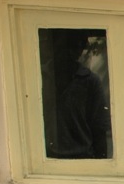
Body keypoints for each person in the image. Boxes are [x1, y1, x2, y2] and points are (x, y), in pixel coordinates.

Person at [41, 29, 111, 159]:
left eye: (79, 45)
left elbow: (99, 129)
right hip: (46, 160)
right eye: (69, 44)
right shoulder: (40, 77)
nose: (73, 50)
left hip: (82, 158)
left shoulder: (90, 81)